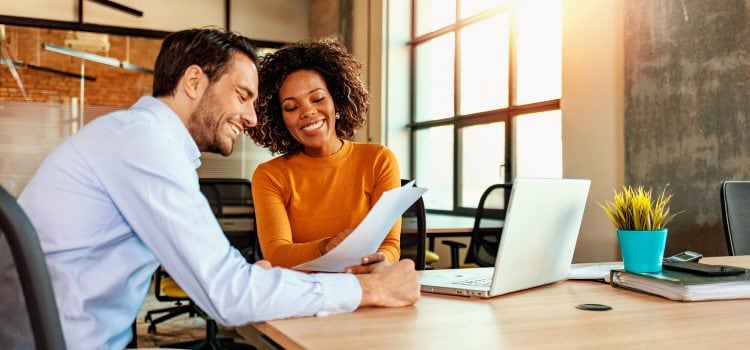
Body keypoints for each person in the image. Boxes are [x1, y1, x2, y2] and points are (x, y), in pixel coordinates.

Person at [18, 28, 419, 349]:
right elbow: (227, 296)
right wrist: (367, 288)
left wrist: (254, 279)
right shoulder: (143, 145)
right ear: (194, 81)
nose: (250, 117)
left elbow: (226, 279)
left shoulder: (140, 139)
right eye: (243, 96)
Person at [248, 38, 401, 273]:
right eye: (291, 107)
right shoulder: (270, 175)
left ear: (337, 102)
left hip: (364, 286)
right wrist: (325, 247)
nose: (308, 112)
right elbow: (276, 253)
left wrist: (381, 260)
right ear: (280, 119)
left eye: (317, 99)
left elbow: (390, 245)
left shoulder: (378, 160)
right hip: (302, 293)